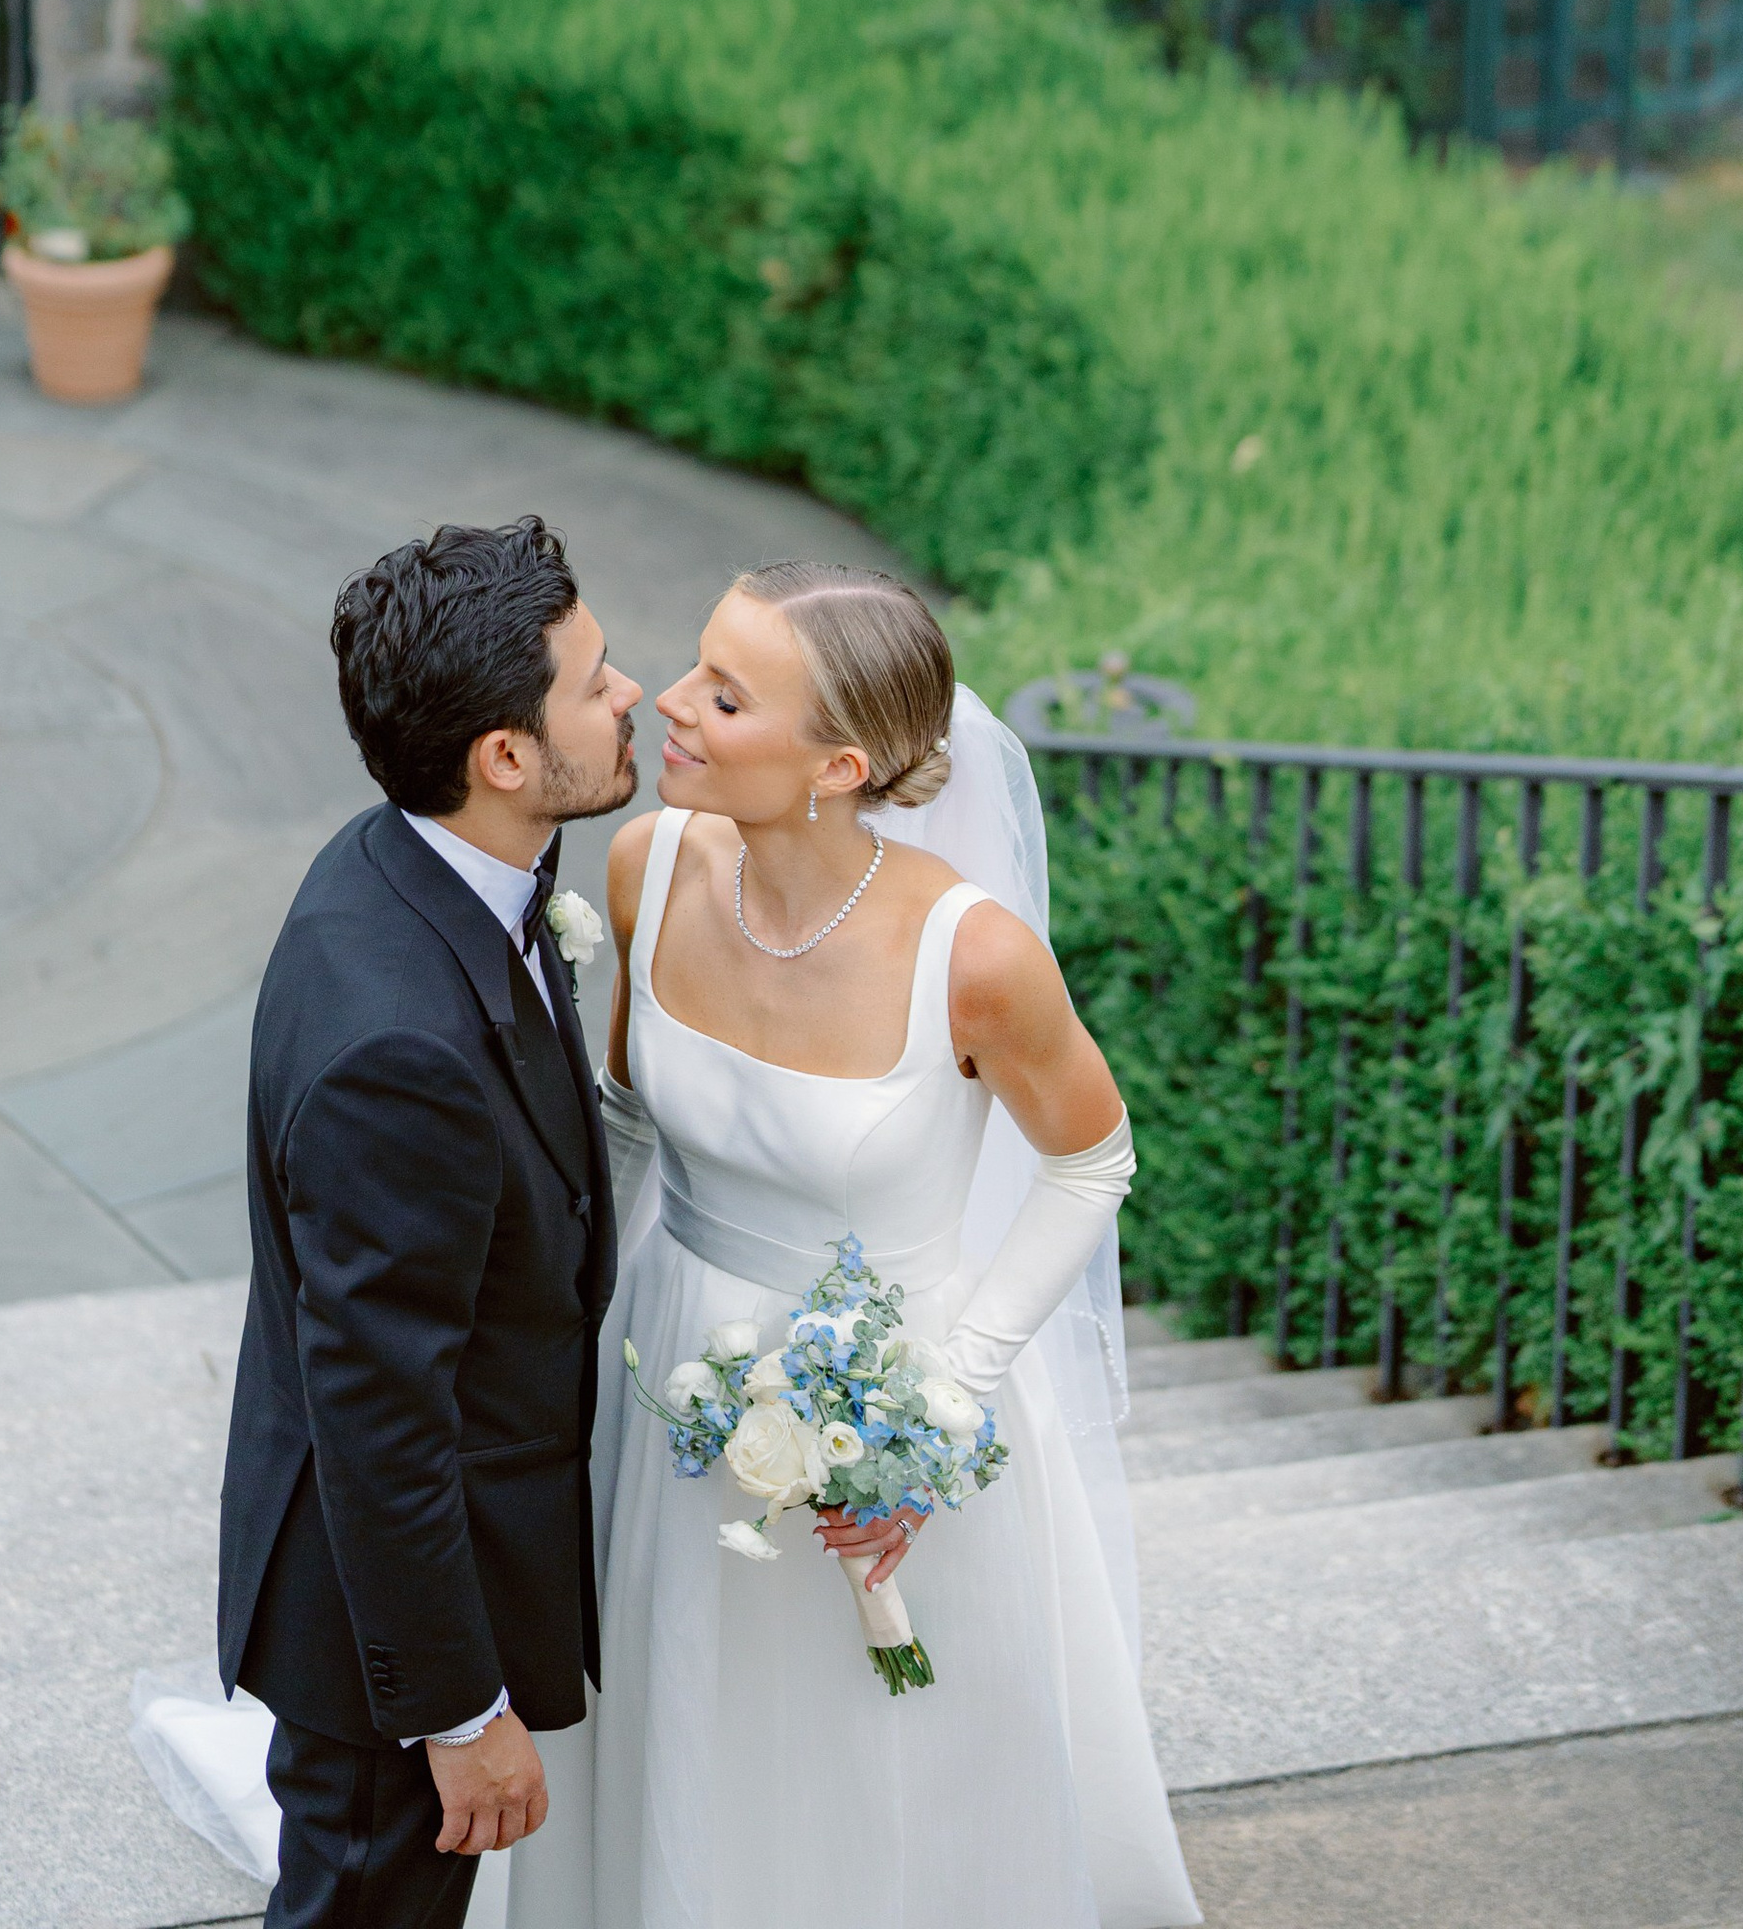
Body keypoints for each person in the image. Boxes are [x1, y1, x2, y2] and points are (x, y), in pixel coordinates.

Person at [508, 560, 1198, 1929]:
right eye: (698, 666)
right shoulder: (648, 865)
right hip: (668, 1388)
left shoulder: (975, 955)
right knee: (685, 1713)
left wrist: (940, 1414)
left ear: (840, 762)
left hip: (899, 1398)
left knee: (888, 1780)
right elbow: (629, 1123)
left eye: (726, 694)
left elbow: (1090, 1162)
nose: (676, 708)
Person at [214, 516, 642, 1929]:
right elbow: (382, 1405)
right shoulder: (395, 1046)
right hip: (383, 1637)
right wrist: (458, 1713)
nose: (632, 691)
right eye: (593, 681)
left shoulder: (412, 861)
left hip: (423, 1572)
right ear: (504, 760)